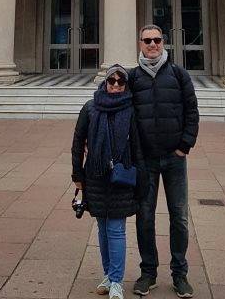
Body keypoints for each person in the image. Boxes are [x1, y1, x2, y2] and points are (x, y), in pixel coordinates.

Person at [128, 25, 199, 299]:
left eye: (157, 40)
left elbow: (192, 110)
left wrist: (185, 145)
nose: (153, 44)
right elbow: (120, 110)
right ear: (140, 43)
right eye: (148, 40)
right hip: (145, 160)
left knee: (179, 217)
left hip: (174, 158)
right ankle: (148, 273)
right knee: (144, 216)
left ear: (163, 42)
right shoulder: (133, 77)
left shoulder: (178, 74)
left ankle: (180, 275)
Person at [72, 65, 147, 299]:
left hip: (120, 178)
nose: (115, 85)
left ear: (126, 84)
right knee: (102, 229)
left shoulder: (131, 110)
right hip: (95, 177)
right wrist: (77, 177)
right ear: (105, 83)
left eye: (120, 81)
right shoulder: (91, 108)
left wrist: (141, 179)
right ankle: (108, 275)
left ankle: (116, 281)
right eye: (111, 81)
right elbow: (77, 143)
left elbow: (137, 147)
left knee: (115, 229)